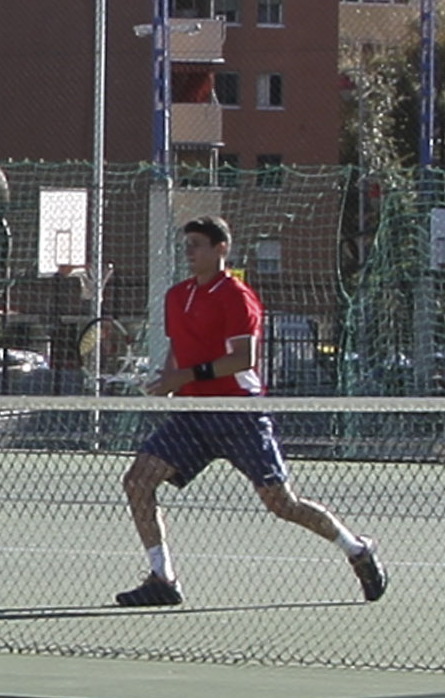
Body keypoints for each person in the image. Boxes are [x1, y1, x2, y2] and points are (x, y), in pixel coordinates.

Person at [117, 215, 387, 609]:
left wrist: (185, 375)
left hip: (238, 414)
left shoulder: (238, 296)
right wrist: (169, 381)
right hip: (192, 416)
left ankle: (357, 549)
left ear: (220, 249)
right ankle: (163, 578)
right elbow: (179, 352)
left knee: (282, 504)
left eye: (196, 245)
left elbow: (242, 360)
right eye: (186, 245)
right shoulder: (177, 296)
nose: (188, 252)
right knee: (137, 481)